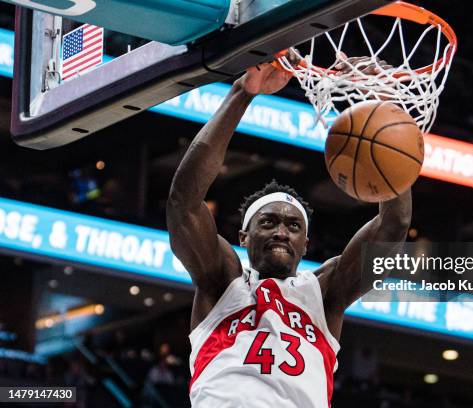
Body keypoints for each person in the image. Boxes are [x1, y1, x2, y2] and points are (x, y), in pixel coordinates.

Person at [166, 58, 412, 408]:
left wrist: (387, 111)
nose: (281, 231)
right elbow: (183, 204)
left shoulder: (324, 292)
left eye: (293, 226)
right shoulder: (222, 281)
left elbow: (394, 224)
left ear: (306, 243)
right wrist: (242, 93)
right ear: (244, 237)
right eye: (268, 222)